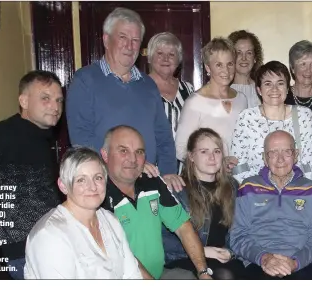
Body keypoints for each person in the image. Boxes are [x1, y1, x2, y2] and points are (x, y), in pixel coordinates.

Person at [0, 70, 64, 278]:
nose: (55, 106)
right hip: (23, 250)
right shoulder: (5, 133)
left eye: (59, 100)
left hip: (49, 240)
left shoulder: (42, 136)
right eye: (46, 98)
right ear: (23, 101)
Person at [66, 8, 181, 189]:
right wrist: (130, 167)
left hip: (148, 186)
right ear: (106, 40)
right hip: (105, 187)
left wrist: (167, 175)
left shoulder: (148, 85)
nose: (129, 46)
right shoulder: (85, 80)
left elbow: (164, 138)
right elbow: (82, 141)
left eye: (135, 40)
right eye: (123, 37)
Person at [101, 125, 211, 280]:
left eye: (139, 152)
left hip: (159, 275)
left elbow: (183, 227)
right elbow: (121, 255)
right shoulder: (97, 194)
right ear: (105, 155)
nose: (133, 159)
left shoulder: (152, 182)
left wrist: (203, 272)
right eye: (123, 151)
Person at [24, 147, 141, 279]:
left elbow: (133, 276)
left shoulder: (110, 220)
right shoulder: (50, 236)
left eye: (98, 178)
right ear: (63, 185)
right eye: (81, 180)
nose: (92, 187)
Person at [230, 130, 312, 279]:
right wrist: (264, 258)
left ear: (295, 155)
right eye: (273, 153)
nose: (280, 159)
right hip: (257, 263)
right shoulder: (248, 187)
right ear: (264, 158)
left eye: (287, 152)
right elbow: (237, 236)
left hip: (300, 264)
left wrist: (295, 262)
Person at [163, 128, 245, 280]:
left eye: (217, 151)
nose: (212, 157)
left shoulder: (232, 187)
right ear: (191, 156)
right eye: (204, 152)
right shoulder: (177, 189)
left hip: (223, 258)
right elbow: (163, 240)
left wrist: (230, 252)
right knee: (225, 275)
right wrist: (202, 251)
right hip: (185, 259)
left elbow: (241, 230)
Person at [231, 61, 312, 185]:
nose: (274, 89)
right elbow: (239, 167)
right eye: (268, 84)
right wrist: (261, 191)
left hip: (297, 194)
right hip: (257, 194)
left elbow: (311, 166)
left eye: (280, 83)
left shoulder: (304, 116)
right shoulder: (246, 118)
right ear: (259, 90)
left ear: (287, 88)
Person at [175, 38, 247, 165]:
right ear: (208, 68)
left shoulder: (241, 99)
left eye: (230, 64)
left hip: (238, 177)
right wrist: (214, 164)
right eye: (219, 65)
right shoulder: (195, 102)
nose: (226, 70)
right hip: (207, 179)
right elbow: (181, 150)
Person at [147, 32, 194, 141]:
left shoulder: (188, 89)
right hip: (152, 157)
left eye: (172, 54)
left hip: (184, 156)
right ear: (150, 58)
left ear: (179, 60)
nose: (166, 59)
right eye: (160, 53)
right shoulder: (140, 88)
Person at [228, 29, 263, 109]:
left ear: (255, 58)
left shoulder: (263, 88)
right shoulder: (222, 90)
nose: (244, 58)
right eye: (238, 53)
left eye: (249, 53)